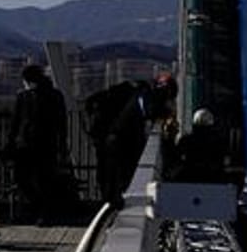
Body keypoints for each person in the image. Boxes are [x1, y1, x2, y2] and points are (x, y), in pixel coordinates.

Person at [85, 72, 178, 207]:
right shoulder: (145, 95)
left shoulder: (136, 93)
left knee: (111, 168)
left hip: (114, 136)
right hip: (119, 138)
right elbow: (150, 111)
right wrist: (164, 112)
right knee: (117, 168)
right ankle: (111, 199)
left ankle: (110, 199)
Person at [10, 64, 67, 223]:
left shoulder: (25, 96)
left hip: (33, 145)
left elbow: (16, 122)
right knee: (39, 179)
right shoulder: (54, 95)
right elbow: (61, 123)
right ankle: (43, 210)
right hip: (40, 144)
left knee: (32, 179)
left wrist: (12, 142)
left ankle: (40, 210)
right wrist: (62, 144)